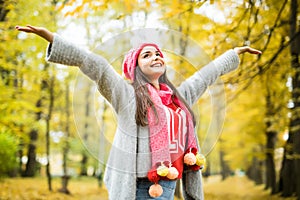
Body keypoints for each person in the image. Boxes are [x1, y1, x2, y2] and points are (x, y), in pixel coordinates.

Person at [16, 25, 261, 200]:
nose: (156, 56)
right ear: (135, 68)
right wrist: (52, 39)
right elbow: (98, 66)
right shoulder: (126, 95)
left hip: (169, 182)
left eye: (158, 54)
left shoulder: (178, 97)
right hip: (140, 188)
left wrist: (233, 54)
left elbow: (204, 76)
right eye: (147, 54)